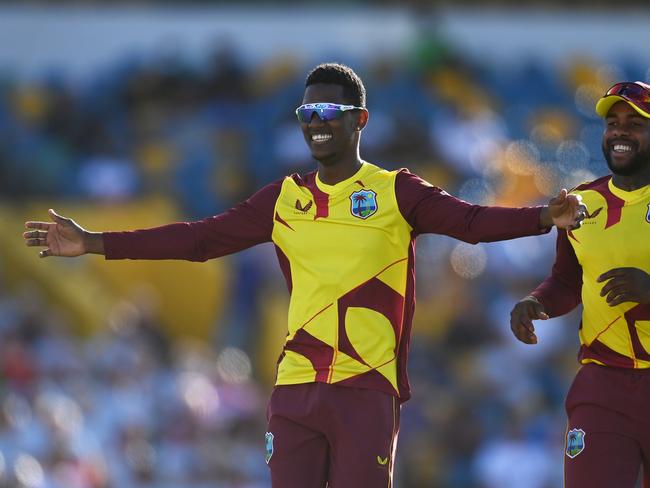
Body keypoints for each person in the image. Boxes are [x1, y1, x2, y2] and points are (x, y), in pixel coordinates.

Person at [24, 63, 583, 488]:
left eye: (328, 115)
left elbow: (470, 222)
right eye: (306, 116)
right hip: (296, 389)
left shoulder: (395, 192)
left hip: (366, 387)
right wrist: (95, 243)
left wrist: (539, 218)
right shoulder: (284, 198)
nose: (315, 126)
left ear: (360, 120)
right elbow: (197, 241)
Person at [509, 81, 650, 488]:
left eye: (635, 123)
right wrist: (537, 302)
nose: (620, 131)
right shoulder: (583, 204)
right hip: (603, 385)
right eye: (612, 122)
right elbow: (567, 280)